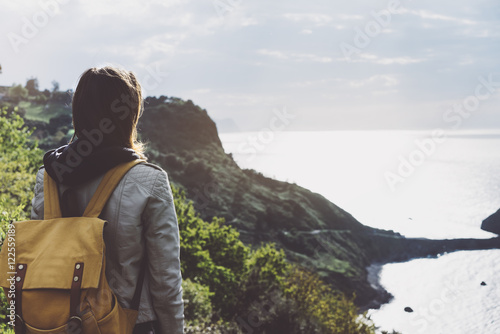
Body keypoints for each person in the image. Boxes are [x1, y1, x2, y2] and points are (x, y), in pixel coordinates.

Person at [30, 66, 184, 334]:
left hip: (56, 323)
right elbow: (165, 282)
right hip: (129, 324)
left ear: (78, 111)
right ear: (130, 115)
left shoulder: (48, 177)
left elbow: (37, 258)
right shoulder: (149, 182)